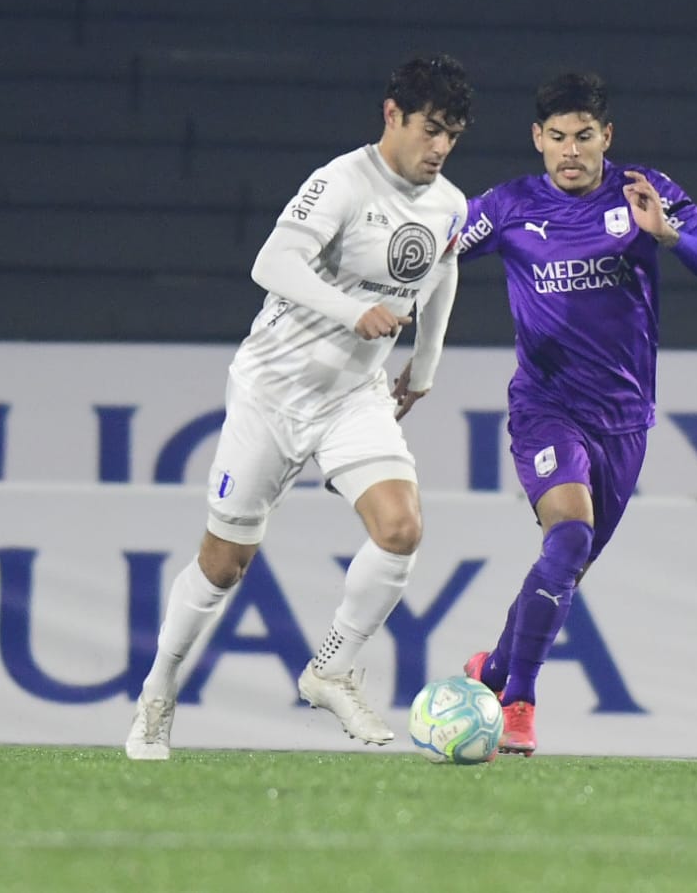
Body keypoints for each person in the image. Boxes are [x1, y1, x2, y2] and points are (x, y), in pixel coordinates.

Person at [126, 54, 473, 759]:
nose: (438, 147)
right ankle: (157, 695)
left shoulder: (449, 203)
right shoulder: (339, 182)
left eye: (452, 135)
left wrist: (425, 366)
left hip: (353, 395)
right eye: (429, 129)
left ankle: (332, 668)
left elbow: (443, 269)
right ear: (391, 114)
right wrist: (354, 311)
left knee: (400, 528)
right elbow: (271, 264)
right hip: (273, 393)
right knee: (224, 564)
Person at [454, 71, 697, 755]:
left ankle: (489, 670)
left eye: (583, 137)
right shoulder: (509, 205)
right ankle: (517, 702)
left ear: (606, 137)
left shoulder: (643, 191)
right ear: (536, 139)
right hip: (546, 405)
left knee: (565, 564)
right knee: (570, 537)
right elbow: (430, 248)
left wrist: (665, 234)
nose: (570, 151)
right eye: (556, 138)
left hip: (624, 418)